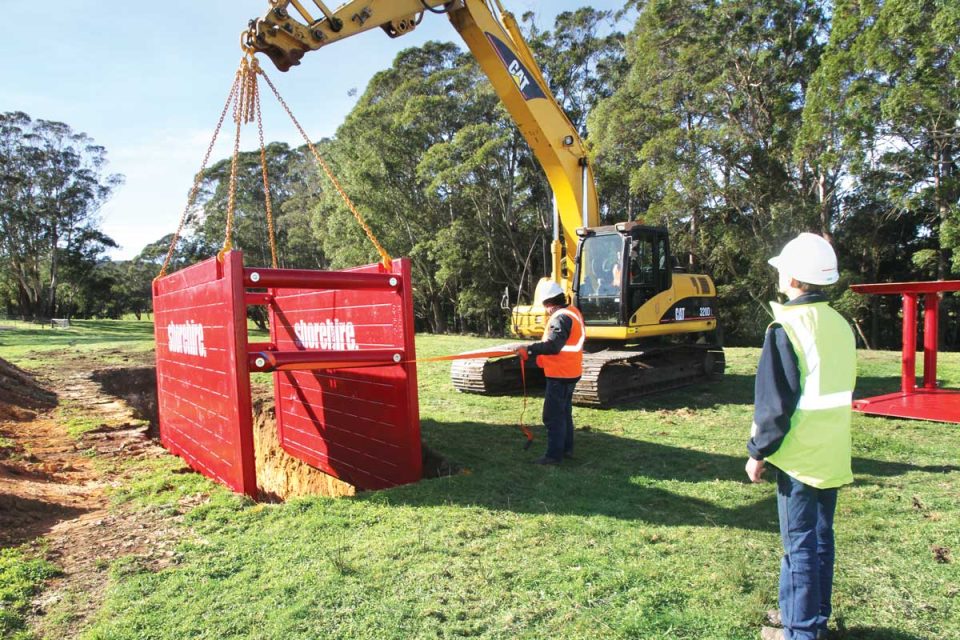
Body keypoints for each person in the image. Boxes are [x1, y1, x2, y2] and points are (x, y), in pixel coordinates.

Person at [745, 233, 856, 640]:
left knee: (799, 549)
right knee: (820, 540)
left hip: (799, 457)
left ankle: (800, 631)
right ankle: (813, 617)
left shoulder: (786, 327)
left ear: (791, 276)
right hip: (832, 452)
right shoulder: (839, 324)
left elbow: (774, 404)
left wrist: (758, 452)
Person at [514, 281, 585, 465]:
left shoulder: (560, 318)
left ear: (549, 304)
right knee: (564, 413)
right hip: (570, 371)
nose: (545, 311)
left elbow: (553, 346)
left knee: (553, 416)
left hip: (560, 374)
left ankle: (553, 456)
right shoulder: (573, 312)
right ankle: (566, 449)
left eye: (545, 307)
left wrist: (529, 349)